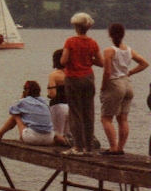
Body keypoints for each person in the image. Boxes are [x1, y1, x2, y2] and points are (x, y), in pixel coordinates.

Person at [100, 23, 148, 155]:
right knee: (123, 118)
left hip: (115, 84)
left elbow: (107, 72)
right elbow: (144, 63)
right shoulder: (128, 50)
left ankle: (113, 147)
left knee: (106, 118)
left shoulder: (109, 51)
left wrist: (103, 86)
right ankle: (120, 147)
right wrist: (130, 72)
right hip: (127, 85)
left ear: (110, 34)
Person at [60, 12, 103, 156]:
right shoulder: (93, 43)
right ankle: (89, 147)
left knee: (75, 113)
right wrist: (89, 60)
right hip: (88, 78)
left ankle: (77, 147)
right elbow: (101, 62)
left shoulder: (70, 42)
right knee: (88, 112)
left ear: (75, 26)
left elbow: (63, 61)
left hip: (73, 78)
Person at [0, 81, 55, 145]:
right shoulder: (44, 102)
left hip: (32, 138)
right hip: (49, 139)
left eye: (24, 89)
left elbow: (12, 110)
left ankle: (0, 132)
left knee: (16, 115)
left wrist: (21, 99)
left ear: (27, 90)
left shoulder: (23, 102)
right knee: (29, 117)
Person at [48, 49, 71, 146]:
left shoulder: (53, 75)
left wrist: (49, 94)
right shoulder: (72, 74)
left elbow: (52, 94)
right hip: (71, 106)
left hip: (58, 106)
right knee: (67, 135)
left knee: (57, 134)